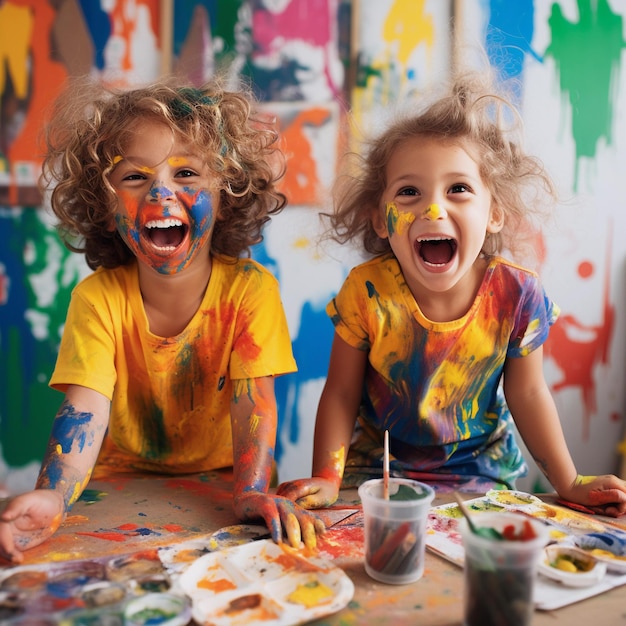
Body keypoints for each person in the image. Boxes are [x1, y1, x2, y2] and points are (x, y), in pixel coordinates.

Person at [0, 78, 324, 564]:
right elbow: (86, 409)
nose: (161, 192)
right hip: (117, 486)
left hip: (226, 483)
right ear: (106, 207)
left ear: (227, 193)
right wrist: (53, 495)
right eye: (134, 177)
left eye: (187, 173)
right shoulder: (97, 300)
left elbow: (253, 402)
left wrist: (251, 489)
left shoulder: (251, 290)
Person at [277, 70, 626, 517]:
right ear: (381, 220)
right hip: (377, 469)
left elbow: (530, 393)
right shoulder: (366, 292)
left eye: (458, 189)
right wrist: (327, 478)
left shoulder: (518, 294)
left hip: (480, 471)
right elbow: (341, 392)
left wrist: (569, 481)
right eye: (409, 192)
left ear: (494, 212)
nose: (433, 208)